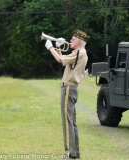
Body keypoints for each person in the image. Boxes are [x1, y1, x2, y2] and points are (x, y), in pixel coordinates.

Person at [45, 29, 90, 159]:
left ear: (79, 41)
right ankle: (74, 152)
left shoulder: (79, 53)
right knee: (71, 121)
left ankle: (69, 153)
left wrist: (51, 47)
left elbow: (59, 60)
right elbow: (64, 60)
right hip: (71, 88)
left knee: (67, 121)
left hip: (69, 88)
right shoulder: (79, 53)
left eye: (73, 39)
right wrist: (59, 48)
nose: (70, 40)